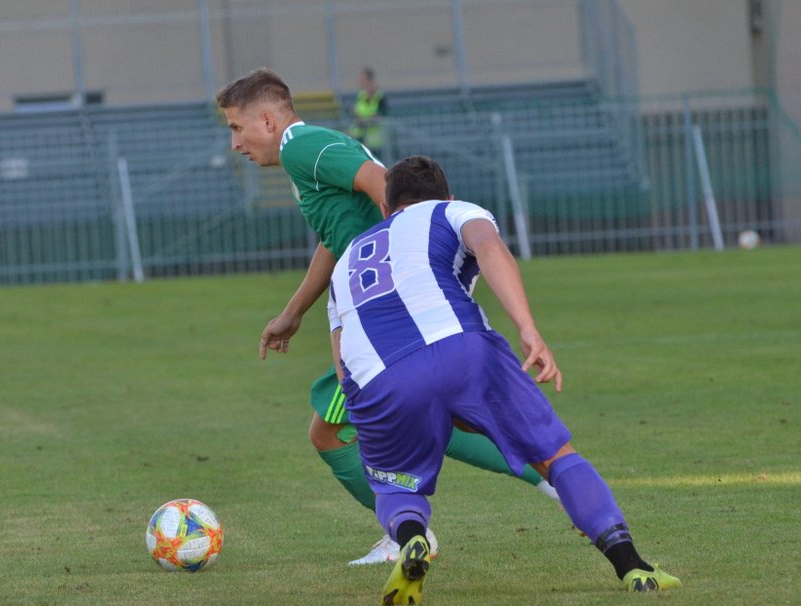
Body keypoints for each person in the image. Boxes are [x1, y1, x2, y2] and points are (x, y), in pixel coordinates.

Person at [215, 69, 558, 565]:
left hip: (376, 307)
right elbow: (335, 239)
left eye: (235, 128)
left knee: (347, 425)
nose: (234, 144)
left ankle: (418, 530)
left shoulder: (300, 146)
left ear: (266, 120)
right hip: (367, 299)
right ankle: (540, 478)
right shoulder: (303, 158)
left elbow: (381, 183)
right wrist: (293, 312)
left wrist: (404, 261)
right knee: (416, 412)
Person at [327, 155, 682, 605]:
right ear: (447, 196)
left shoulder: (347, 262)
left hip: (377, 379)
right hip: (462, 348)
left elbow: (340, 352)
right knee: (554, 456)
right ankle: (632, 566)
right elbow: (489, 247)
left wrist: (370, 411)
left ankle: (413, 537)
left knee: (394, 484)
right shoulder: (454, 211)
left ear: (385, 209)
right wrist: (528, 327)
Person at [347, 67, 387, 157]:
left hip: (374, 139)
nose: (360, 82)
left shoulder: (379, 96)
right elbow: (356, 110)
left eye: (362, 79)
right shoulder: (361, 95)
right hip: (360, 136)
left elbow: (381, 115)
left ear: (369, 80)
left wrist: (365, 120)